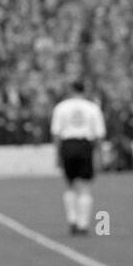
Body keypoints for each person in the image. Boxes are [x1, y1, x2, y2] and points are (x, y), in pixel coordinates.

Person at [50, 80, 107, 235]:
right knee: (85, 186)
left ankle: (72, 220)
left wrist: (57, 154)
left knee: (70, 185)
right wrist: (99, 154)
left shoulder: (61, 107)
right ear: (84, 90)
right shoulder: (92, 107)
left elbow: (56, 133)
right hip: (85, 146)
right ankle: (83, 224)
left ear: (70, 89)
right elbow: (99, 134)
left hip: (67, 145)